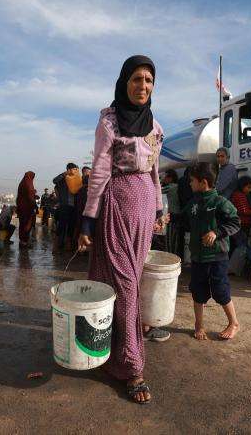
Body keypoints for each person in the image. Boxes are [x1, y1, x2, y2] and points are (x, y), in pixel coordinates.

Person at [77, 55, 165, 404]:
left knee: (127, 281)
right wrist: (88, 218)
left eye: (148, 80)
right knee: (125, 286)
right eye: (136, 79)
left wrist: (159, 207)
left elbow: (155, 173)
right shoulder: (109, 122)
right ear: (124, 82)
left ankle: (107, 350)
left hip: (143, 208)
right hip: (116, 204)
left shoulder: (156, 126)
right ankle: (132, 367)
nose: (142, 86)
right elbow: (99, 169)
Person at [182, 162, 241, 341]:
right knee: (197, 290)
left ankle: (234, 323)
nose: (190, 184)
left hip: (217, 257)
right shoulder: (193, 203)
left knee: (220, 290)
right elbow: (184, 220)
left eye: (192, 181)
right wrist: (169, 218)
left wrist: (216, 232)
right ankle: (199, 325)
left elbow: (235, 222)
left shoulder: (220, 202)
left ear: (203, 182)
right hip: (198, 257)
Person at [53, 163, 81, 251]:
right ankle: (57, 246)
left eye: (76, 169)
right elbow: (54, 181)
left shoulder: (78, 179)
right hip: (64, 205)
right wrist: (64, 174)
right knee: (61, 226)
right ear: (68, 169)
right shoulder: (63, 179)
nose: (75, 171)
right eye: (73, 169)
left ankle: (68, 246)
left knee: (71, 226)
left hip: (74, 206)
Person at [162, 169, 180, 254]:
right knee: (173, 239)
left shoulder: (171, 187)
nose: (163, 179)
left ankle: (170, 256)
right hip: (175, 214)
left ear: (170, 178)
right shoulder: (176, 186)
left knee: (169, 239)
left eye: (165, 177)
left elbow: (158, 191)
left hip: (172, 215)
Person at [16, 171, 37, 248]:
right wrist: (34, 206)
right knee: (27, 224)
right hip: (27, 208)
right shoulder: (28, 183)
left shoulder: (22, 183)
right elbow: (30, 195)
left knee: (22, 224)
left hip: (21, 208)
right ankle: (24, 242)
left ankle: (22, 241)